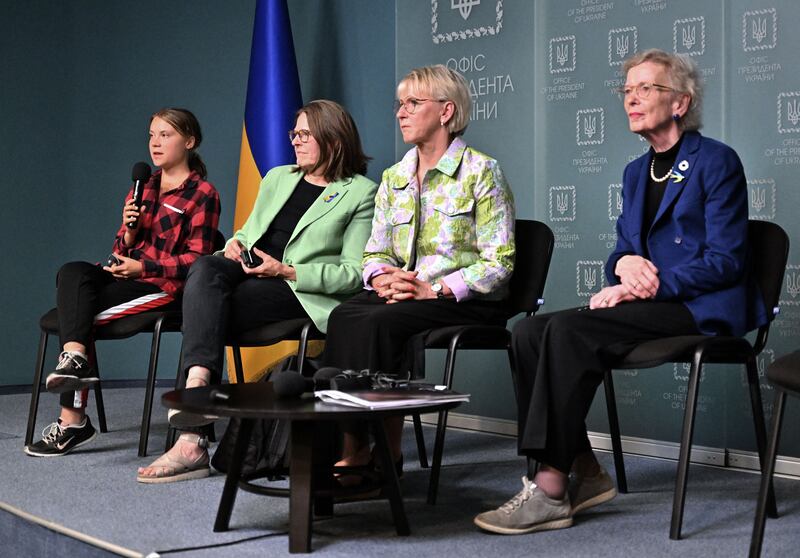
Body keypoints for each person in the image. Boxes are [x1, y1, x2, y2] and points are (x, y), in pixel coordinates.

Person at [474, 49, 769, 535]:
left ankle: (549, 488)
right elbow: (625, 251)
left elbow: (727, 261)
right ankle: (584, 469)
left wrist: (649, 286)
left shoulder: (716, 161)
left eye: (646, 89)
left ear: (680, 102)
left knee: (569, 330)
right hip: (654, 301)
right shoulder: (637, 172)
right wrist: (623, 265)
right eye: (627, 90)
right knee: (530, 332)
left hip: (701, 307)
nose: (632, 99)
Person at [137, 99, 377, 483]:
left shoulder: (361, 193)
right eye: (293, 134)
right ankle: (199, 381)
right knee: (206, 267)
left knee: (205, 308)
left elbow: (352, 273)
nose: (295, 142)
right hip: (249, 272)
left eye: (304, 135)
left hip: (295, 288)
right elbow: (250, 233)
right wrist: (233, 245)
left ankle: (190, 439)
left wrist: (287, 269)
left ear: (332, 140)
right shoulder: (279, 177)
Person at [323, 65, 515, 479]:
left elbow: (499, 261)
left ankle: (387, 453)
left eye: (413, 103)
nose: (401, 112)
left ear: (446, 111)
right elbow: (374, 251)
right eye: (400, 104)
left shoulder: (481, 171)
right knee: (343, 316)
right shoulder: (394, 177)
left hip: (462, 301)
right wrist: (381, 277)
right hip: (403, 294)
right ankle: (352, 444)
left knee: (382, 322)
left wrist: (436, 290)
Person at [25, 108, 221, 457]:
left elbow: (198, 261)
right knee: (72, 271)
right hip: (129, 274)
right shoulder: (142, 187)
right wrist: (130, 231)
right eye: (151, 135)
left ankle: (72, 421)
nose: (155, 143)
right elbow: (119, 248)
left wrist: (142, 267)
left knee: (80, 315)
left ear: (189, 141)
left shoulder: (202, 193)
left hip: (164, 288)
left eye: (166, 135)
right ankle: (75, 358)